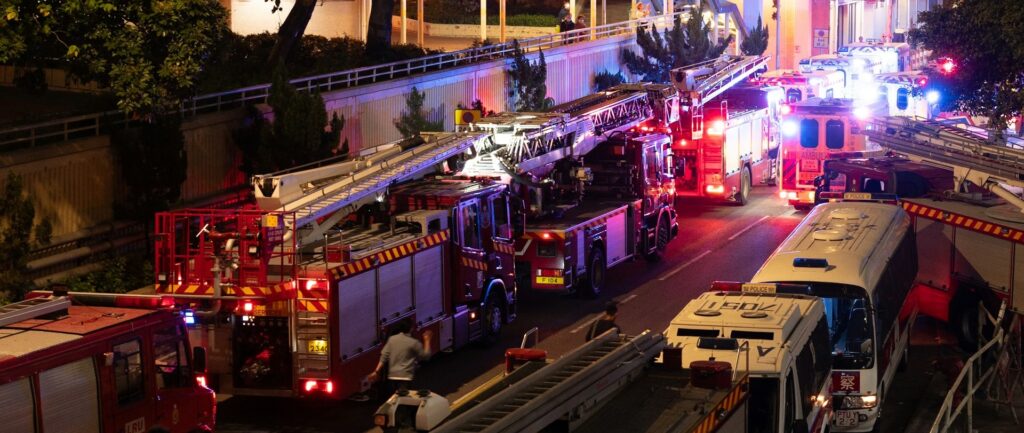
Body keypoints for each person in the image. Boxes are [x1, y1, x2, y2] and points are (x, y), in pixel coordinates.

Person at [368, 320, 433, 396]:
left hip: (392, 377)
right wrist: (427, 340)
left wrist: (376, 371)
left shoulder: (392, 340)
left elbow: (384, 356)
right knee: (405, 399)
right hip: (406, 377)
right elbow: (425, 356)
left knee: (394, 399)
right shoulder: (413, 342)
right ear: (411, 329)